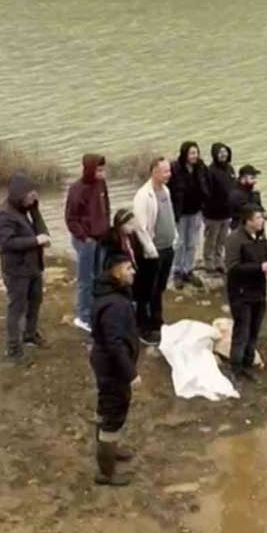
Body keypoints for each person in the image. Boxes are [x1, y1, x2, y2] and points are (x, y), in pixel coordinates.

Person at [89, 252, 142, 487]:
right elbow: (115, 343)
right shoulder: (115, 305)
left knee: (106, 407)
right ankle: (106, 473)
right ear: (116, 271)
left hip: (104, 363)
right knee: (114, 413)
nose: (133, 271)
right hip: (113, 367)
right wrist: (131, 373)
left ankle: (109, 449)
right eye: (128, 267)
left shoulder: (109, 295)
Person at [0, 173, 52, 362]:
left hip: (33, 266)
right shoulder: (3, 214)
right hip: (16, 270)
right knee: (16, 309)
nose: (33, 199)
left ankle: (30, 334)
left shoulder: (26, 208)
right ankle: (14, 350)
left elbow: (43, 230)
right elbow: (8, 242)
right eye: (30, 196)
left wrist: (36, 211)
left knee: (35, 301)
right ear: (19, 195)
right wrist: (36, 240)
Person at [225, 206, 267, 383]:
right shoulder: (234, 239)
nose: (262, 221)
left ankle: (248, 363)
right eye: (258, 218)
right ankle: (235, 367)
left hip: (259, 292)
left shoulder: (260, 236)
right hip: (241, 294)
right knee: (242, 332)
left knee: (254, 331)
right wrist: (259, 267)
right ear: (248, 220)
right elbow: (233, 267)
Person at [131, 158, 176, 346]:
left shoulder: (166, 190)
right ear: (154, 172)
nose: (169, 174)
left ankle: (157, 322)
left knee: (159, 289)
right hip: (152, 252)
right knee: (146, 291)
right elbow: (140, 227)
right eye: (165, 171)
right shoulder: (143, 195)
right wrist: (150, 250)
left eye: (169, 171)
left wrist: (175, 237)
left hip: (167, 248)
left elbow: (170, 216)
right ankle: (143, 327)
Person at [65, 154, 111, 333]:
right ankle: (83, 316)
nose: (102, 173)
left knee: (99, 276)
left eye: (103, 169)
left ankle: (97, 310)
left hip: (101, 238)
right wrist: (85, 238)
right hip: (85, 241)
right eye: (99, 170)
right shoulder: (77, 189)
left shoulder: (101, 184)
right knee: (86, 280)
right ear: (90, 169)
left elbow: (106, 207)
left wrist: (107, 229)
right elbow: (71, 219)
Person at [168, 141, 208, 286]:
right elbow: (168, 189)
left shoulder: (201, 167)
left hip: (196, 211)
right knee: (179, 243)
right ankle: (177, 271)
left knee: (192, 242)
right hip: (180, 212)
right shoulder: (175, 168)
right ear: (184, 153)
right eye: (191, 153)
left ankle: (188, 270)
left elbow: (207, 184)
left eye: (196, 152)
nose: (194, 156)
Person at [202, 142, 237, 273]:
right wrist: (205, 210)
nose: (223, 154)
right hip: (213, 213)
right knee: (211, 239)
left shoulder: (230, 169)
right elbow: (206, 192)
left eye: (225, 152)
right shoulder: (210, 171)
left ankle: (219, 260)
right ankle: (208, 261)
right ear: (215, 155)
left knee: (222, 239)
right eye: (220, 152)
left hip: (227, 213)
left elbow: (234, 186)